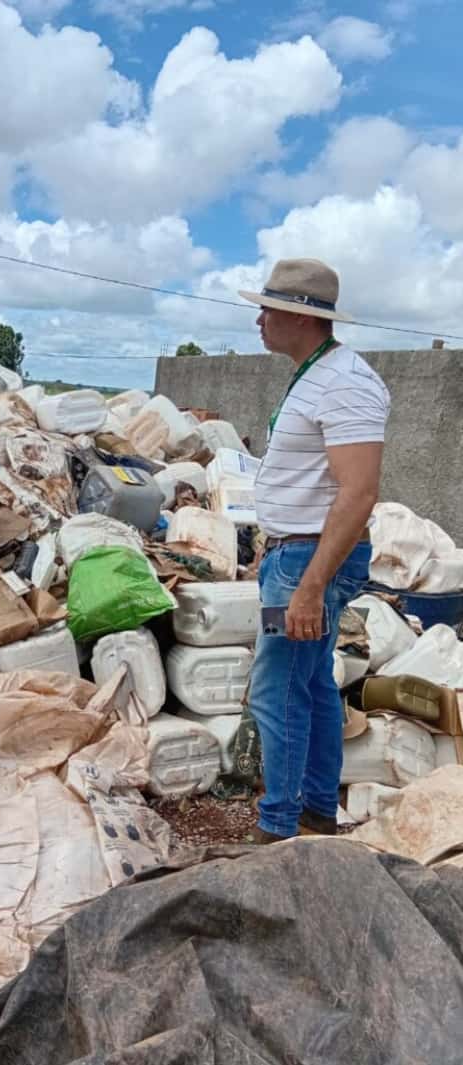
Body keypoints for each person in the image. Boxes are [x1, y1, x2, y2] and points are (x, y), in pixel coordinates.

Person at [238, 259, 390, 842]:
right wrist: (269, 546)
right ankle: (317, 812)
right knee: (313, 683)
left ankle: (279, 828)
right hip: (294, 554)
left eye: (268, 309)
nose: (259, 319)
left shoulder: (345, 383)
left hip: (309, 563)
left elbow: (360, 490)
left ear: (301, 317)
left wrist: (309, 586)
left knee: (278, 689)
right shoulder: (317, 374)